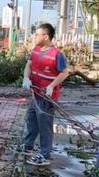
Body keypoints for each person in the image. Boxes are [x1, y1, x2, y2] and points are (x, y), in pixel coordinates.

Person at [19, 23, 69, 166]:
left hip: (47, 97)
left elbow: (64, 72)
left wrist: (51, 86)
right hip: (35, 93)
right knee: (31, 119)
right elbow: (29, 65)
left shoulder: (57, 55)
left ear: (46, 36)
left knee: (45, 126)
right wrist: (26, 78)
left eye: (37, 34)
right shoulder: (35, 50)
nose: (34, 36)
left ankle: (44, 154)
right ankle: (28, 146)